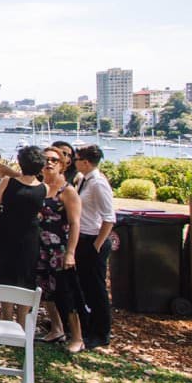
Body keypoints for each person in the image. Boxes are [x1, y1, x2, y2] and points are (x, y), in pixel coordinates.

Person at [0, 145, 48, 325]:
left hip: (6, 233)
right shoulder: (44, 188)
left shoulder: (7, 182)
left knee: (6, 276)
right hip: (30, 236)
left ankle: (6, 317)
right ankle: (22, 321)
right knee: (26, 277)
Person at [37, 146, 86, 351]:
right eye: (45, 159)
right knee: (45, 290)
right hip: (40, 247)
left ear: (62, 164)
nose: (49, 163)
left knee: (66, 292)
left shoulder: (67, 191)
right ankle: (56, 328)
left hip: (60, 248)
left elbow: (75, 224)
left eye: (54, 160)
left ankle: (77, 337)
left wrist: (71, 253)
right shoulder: (38, 187)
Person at [73, 144, 117, 350]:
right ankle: (88, 326)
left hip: (93, 239)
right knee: (85, 287)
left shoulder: (98, 183)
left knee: (97, 288)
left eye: (77, 158)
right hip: (82, 238)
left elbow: (109, 217)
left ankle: (101, 332)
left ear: (86, 162)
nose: (74, 161)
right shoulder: (83, 180)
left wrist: (97, 244)